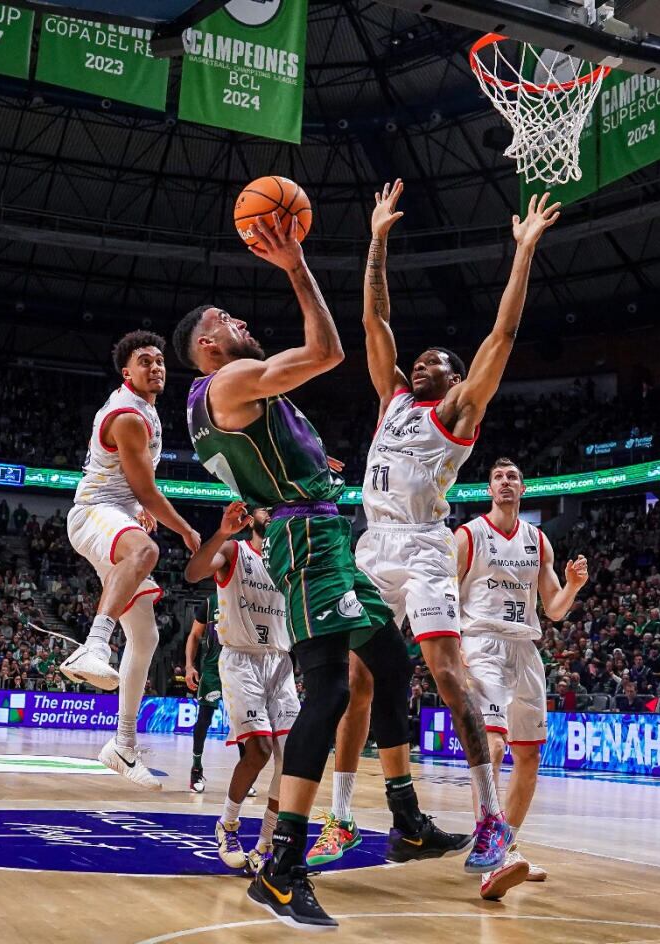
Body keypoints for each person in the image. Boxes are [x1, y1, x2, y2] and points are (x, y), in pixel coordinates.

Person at [175, 215, 464, 931]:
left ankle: (405, 820)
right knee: (331, 690)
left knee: (392, 667)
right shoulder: (229, 379)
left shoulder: (231, 403)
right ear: (209, 346)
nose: (239, 320)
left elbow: (260, 465)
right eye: (225, 319)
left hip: (321, 531)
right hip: (308, 544)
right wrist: (295, 264)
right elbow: (329, 349)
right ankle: (282, 867)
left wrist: (307, 473)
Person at [310, 182, 560, 877]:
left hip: (422, 548)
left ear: (452, 382)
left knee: (447, 676)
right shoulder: (391, 397)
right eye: (416, 361)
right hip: (372, 547)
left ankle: (489, 823)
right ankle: (338, 818)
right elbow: (373, 321)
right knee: (356, 681)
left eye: (435, 363)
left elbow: (501, 337)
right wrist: (378, 238)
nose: (420, 364)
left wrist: (522, 255)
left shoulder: (455, 413)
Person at [59, 331, 201, 790]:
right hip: (92, 514)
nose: (156, 367)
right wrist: (183, 526)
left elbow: (132, 484)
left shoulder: (147, 410)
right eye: (145, 361)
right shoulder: (127, 415)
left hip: (116, 512)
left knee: (147, 635)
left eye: (160, 361)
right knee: (146, 549)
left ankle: (121, 744)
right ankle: (95, 644)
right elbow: (144, 489)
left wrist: (137, 510)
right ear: (127, 372)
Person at [451, 457, 586, 900]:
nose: (505, 483)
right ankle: (492, 849)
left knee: (529, 756)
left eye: (512, 477)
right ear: (489, 489)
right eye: (498, 478)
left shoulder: (539, 540)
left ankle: (506, 845)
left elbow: (554, 609)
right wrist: (453, 652)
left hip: (525, 649)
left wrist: (573, 586)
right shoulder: (469, 535)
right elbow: (445, 597)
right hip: (482, 644)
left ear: (523, 489)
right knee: (492, 744)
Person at [185, 503, 299, 872]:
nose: (272, 512)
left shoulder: (290, 561)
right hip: (241, 658)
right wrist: (221, 532)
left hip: (280, 661)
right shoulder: (235, 551)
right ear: (251, 516)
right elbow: (192, 572)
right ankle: (228, 825)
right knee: (260, 750)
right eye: (265, 507)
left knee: (291, 758)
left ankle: (266, 842)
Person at [183, 592, 225, 796]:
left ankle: (246, 777)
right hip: (213, 670)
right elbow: (194, 635)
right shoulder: (210, 603)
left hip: (242, 667)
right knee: (204, 720)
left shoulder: (249, 593)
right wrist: (189, 666)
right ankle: (196, 769)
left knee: (246, 722)